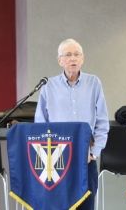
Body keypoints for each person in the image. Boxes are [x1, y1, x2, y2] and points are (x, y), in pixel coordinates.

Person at [34, 38, 109, 210]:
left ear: (82, 59)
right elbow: (40, 123)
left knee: (86, 206)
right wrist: (49, 156)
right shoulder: (48, 86)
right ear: (60, 60)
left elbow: (103, 122)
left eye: (77, 54)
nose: (73, 58)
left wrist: (94, 153)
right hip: (56, 160)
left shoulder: (94, 83)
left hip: (86, 158)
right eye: (68, 55)